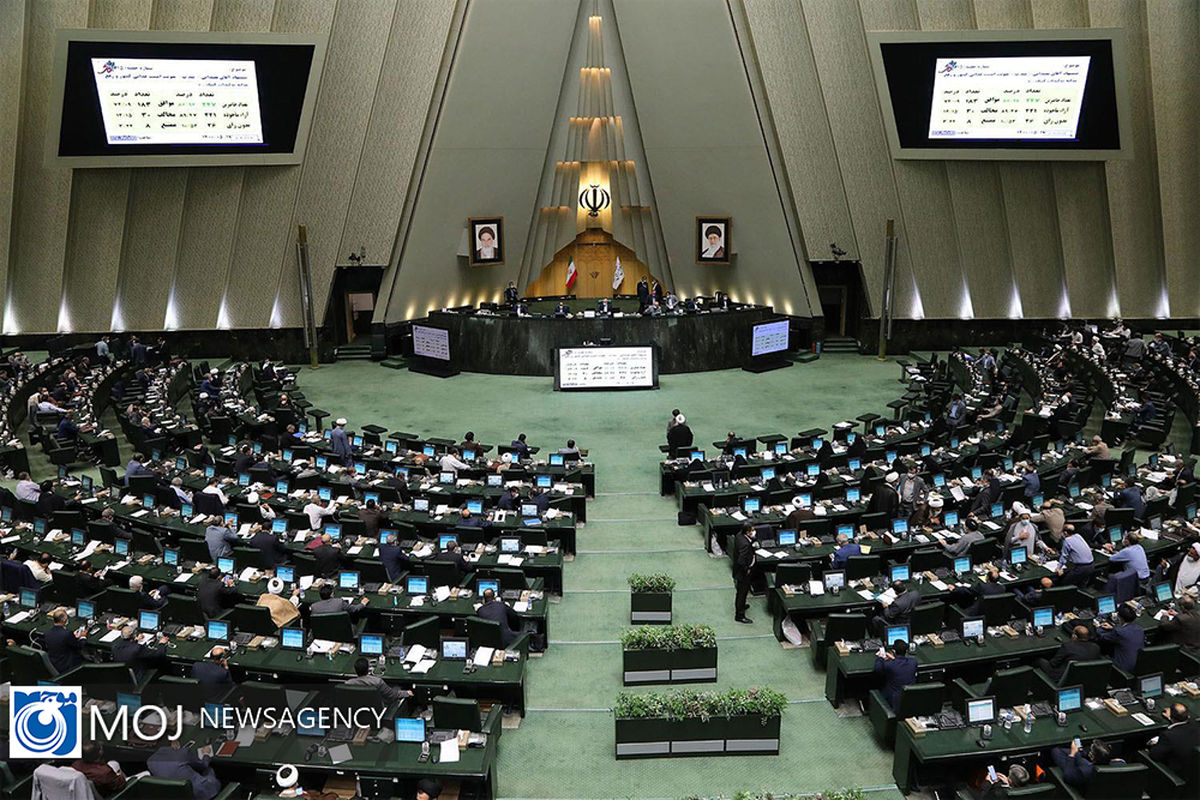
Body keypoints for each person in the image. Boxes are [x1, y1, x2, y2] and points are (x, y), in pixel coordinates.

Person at [147, 741, 222, 800]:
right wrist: (206, 754)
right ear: (174, 743)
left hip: (175, 795)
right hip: (199, 792)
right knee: (209, 769)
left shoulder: (150, 761)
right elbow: (203, 766)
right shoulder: (183, 753)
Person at [1147, 703, 1200, 777]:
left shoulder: (1168, 736)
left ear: (1172, 717)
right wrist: (1171, 717)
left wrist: (1154, 744)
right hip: (1195, 772)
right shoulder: (1196, 726)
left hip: (1178, 774)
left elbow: (1154, 756)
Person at [1036, 625, 1101, 683]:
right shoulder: (1096, 647)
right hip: (1085, 677)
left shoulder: (1068, 646)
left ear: (1074, 636)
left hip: (1062, 677)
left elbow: (1053, 663)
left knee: (1039, 660)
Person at [1051, 739, 1123, 788]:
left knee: (1056, 750)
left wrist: (1072, 754)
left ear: (1092, 757)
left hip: (1078, 777)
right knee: (1078, 754)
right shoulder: (1117, 766)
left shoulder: (1085, 770)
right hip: (1100, 786)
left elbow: (1068, 776)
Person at [1096, 603, 1144, 671]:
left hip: (1123, 668)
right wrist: (1113, 628)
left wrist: (1097, 626)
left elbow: (1103, 637)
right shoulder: (1140, 629)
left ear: (1120, 617)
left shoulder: (1119, 632)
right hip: (1138, 665)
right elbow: (1126, 633)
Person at [873, 638, 917, 709]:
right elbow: (900, 665)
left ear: (893, 651)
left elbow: (877, 670)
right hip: (908, 696)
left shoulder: (889, 665)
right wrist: (894, 659)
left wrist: (880, 658)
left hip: (893, 698)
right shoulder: (913, 662)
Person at [44, 609, 86, 673]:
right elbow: (79, 646)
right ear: (63, 620)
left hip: (53, 664)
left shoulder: (47, 633)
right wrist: (83, 636)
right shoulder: (67, 634)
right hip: (67, 666)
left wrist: (72, 636)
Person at [733, 522, 756, 624]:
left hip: (738, 570)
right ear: (747, 532)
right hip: (743, 572)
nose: (754, 532)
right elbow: (741, 561)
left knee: (741, 591)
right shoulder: (745, 545)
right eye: (752, 530)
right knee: (742, 593)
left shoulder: (739, 535)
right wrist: (747, 569)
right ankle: (740, 615)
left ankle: (741, 606)